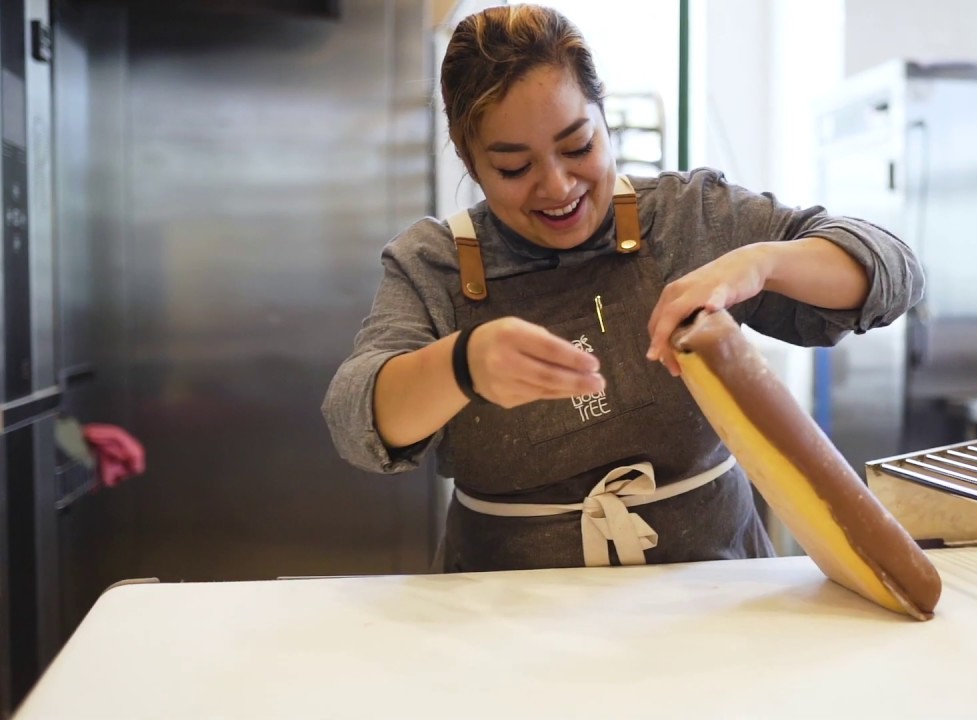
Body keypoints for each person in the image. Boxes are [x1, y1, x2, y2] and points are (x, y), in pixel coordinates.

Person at [322, 3, 924, 573]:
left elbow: (894, 271)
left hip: (718, 596)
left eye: (578, 146)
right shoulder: (434, 263)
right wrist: (461, 365)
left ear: (604, 117)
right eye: (513, 167)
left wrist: (761, 263)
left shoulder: (692, 217)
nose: (557, 187)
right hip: (505, 616)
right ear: (469, 158)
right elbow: (354, 418)